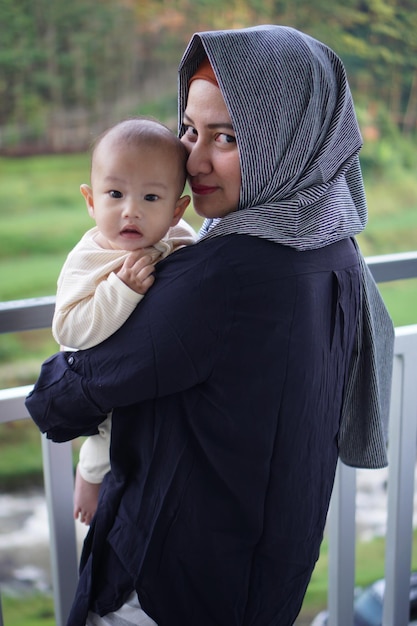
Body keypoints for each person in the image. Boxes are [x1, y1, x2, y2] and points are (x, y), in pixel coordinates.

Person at [25, 25, 394, 626]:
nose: (192, 159)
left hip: (165, 588)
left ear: (287, 137)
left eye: (226, 136)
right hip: (267, 574)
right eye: (190, 130)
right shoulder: (333, 247)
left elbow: (58, 402)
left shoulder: (219, 275)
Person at [51, 117, 195, 525]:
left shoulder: (178, 236)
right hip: (100, 381)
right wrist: (121, 289)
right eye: (115, 194)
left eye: (151, 198)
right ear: (91, 201)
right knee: (108, 441)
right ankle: (89, 476)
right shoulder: (90, 258)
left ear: (176, 209)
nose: (130, 211)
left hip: (153, 382)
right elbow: (68, 327)